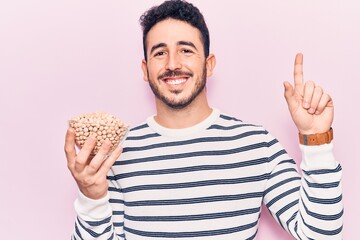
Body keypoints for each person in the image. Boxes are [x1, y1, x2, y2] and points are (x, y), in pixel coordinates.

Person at [64, 0, 343, 239]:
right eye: (160, 53)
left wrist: (316, 141)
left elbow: (319, 234)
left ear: (208, 65)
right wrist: (91, 196)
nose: (173, 63)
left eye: (186, 50)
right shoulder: (116, 154)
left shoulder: (257, 145)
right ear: (145, 69)